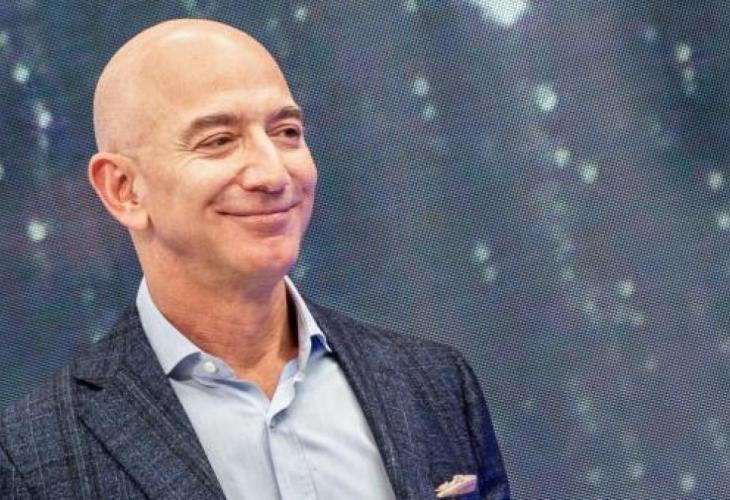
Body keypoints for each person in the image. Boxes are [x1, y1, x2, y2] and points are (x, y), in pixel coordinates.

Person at [0, 19, 510, 500]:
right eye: (219, 141)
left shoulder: (433, 383)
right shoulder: (34, 455)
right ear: (123, 189)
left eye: (287, 133)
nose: (273, 174)